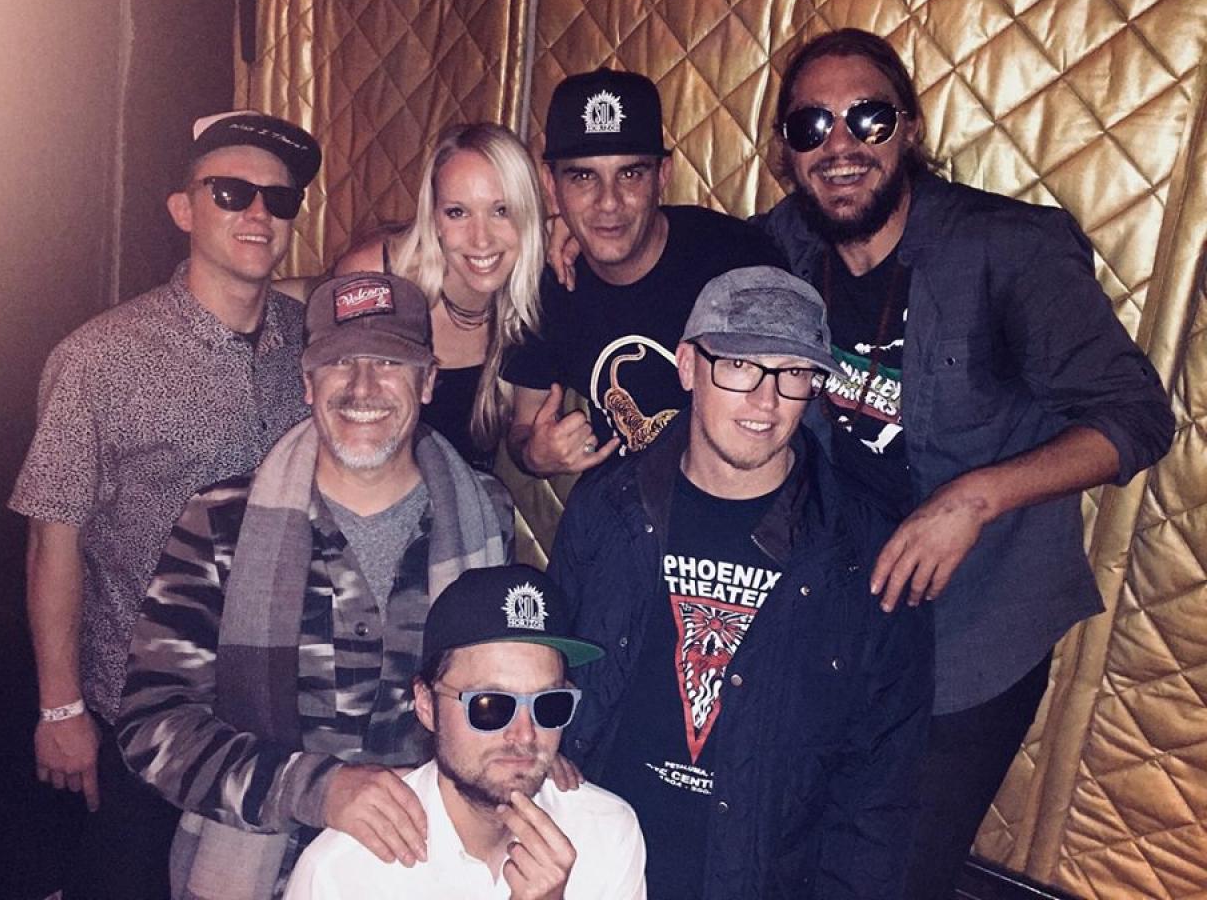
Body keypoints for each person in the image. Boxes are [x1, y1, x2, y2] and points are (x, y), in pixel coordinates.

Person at [755, 28, 1175, 899]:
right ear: (787, 150)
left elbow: (1136, 416)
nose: (840, 144)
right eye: (811, 125)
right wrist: (578, 241)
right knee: (789, 847)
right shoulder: (782, 246)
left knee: (899, 877)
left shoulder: (1008, 249)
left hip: (973, 633)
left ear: (909, 127)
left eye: (868, 117)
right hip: (837, 615)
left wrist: (976, 498)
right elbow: (665, 257)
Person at [115, 271, 514, 899]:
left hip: (432, 875)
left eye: (389, 361)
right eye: (339, 362)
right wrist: (316, 790)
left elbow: (505, 695)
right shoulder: (218, 523)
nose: (362, 387)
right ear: (307, 382)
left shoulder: (486, 515)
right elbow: (151, 725)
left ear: (428, 381)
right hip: (257, 878)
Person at [8, 109, 322, 899]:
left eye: (280, 199)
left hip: (276, 710)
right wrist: (60, 708)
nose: (258, 213)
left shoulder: (312, 344)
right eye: (231, 193)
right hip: (141, 711)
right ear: (183, 209)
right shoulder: (100, 359)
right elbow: (53, 539)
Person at [549, 266, 933, 899]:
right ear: (687, 366)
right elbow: (546, 669)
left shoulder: (864, 553)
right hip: (598, 864)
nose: (765, 400)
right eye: (738, 365)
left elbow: (881, 787)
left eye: (792, 373)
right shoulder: (607, 508)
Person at [285, 565, 647, 900]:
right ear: (426, 705)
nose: (524, 735)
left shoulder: (606, 832)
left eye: (549, 704)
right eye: (490, 706)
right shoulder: (342, 874)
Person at [501, 68, 788, 478]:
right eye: (583, 177)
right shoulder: (546, 283)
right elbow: (523, 428)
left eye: (630, 174)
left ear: (662, 176)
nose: (608, 202)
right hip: (620, 502)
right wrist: (536, 454)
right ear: (551, 184)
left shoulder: (738, 263)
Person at [279, 123, 545, 473]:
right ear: (433, 217)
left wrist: (542, 454)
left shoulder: (540, 293)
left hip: (468, 496)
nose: (481, 239)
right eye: (457, 212)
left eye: (501, 210)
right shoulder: (381, 277)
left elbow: (525, 439)